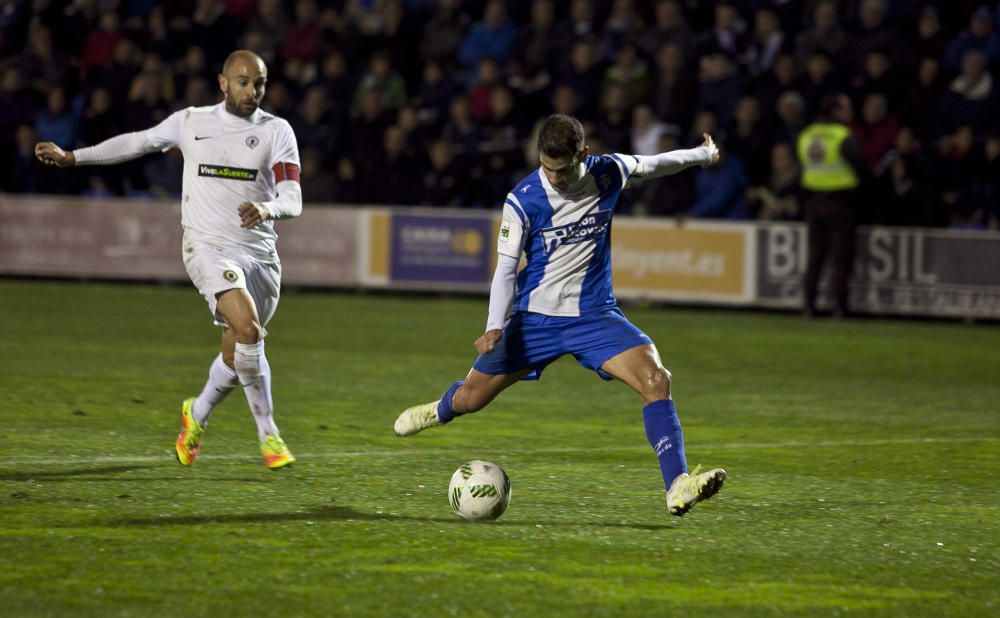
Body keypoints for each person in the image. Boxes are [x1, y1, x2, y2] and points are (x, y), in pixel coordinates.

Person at [394, 114, 727, 518]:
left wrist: (702, 154)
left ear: (583, 155)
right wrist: (494, 326)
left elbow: (654, 164)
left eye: (564, 170)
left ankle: (677, 486)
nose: (555, 178)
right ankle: (439, 409)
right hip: (535, 321)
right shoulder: (523, 199)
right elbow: (504, 268)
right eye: (548, 168)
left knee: (657, 380)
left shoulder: (608, 173)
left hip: (594, 317)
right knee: (471, 399)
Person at [35, 50, 301, 469]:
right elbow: (136, 142)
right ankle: (270, 437)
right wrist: (74, 157)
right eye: (244, 81)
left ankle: (195, 415)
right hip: (206, 246)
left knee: (236, 356)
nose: (253, 91)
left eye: (260, 83)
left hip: (260, 255)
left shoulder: (277, 131)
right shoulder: (191, 121)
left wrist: (268, 209)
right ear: (223, 83)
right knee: (249, 330)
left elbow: (293, 197)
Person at [796, 93, 868, 318]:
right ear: (835, 111)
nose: (851, 112)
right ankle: (841, 307)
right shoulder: (842, 135)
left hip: (813, 202)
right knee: (841, 257)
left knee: (816, 256)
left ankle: (809, 306)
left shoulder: (806, 135)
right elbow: (860, 166)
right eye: (846, 108)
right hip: (840, 203)